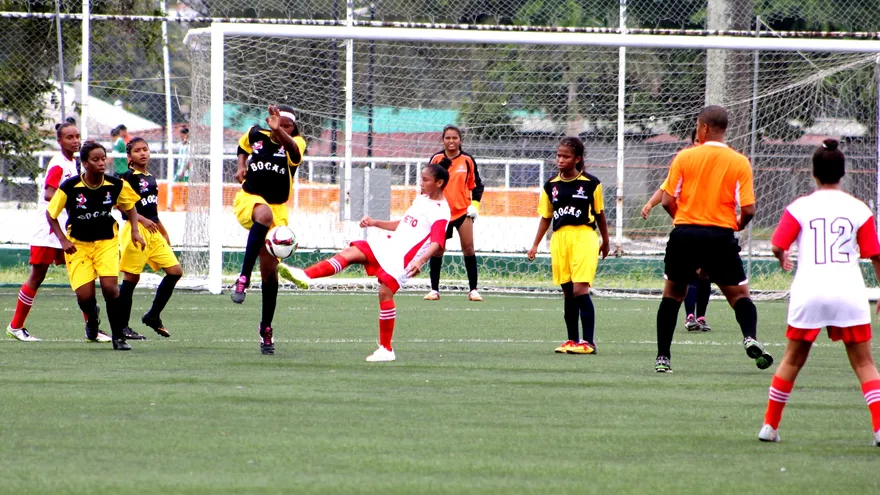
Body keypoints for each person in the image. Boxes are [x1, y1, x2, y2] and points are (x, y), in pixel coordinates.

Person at [758, 140, 880, 445]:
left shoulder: (800, 206)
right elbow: (875, 255)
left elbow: (777, 244)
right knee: (864, 364)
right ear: (843, 173)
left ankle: (769, 427)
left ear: (813, 174)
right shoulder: (859, 208)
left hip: (809, 291)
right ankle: (879, 429)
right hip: (848, 291)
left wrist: (781, 257)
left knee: (792, 360)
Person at [278, 164, 451, 362]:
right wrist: (375, 222)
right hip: (389, 244)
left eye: (426, 180)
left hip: (404, 258)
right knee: (351, 252)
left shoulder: (441, 211)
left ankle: (386, 349)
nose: (421, 183)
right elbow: (403, 224)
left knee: (385, 293)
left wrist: (420, 260)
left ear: (439, 183)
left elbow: (438, 242)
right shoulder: (421, 199)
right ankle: (305, 276)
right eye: (421, 178)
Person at [654, 105, 773, 373]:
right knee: (739, 295)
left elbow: (667, 200)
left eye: (698, 126)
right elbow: (749, 209)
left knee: (672, 294)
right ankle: (750, 337)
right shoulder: (739, 161)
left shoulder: (685, 157)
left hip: (685, 234)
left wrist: (682, 219)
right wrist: (736, 225)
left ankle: (663, 358)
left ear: (704, 128)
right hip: (720, 235)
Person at [6, 122, 102, 341]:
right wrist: (75, 199)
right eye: (69, 137)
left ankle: (93, 328)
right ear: (59, 141)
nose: (75, 141)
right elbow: (49, 194)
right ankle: (16, 326)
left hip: (67, 230)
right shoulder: (59, 163)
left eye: (77, 136)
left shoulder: (75, 163)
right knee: (37, 276)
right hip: (48, 231)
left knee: (82, 275)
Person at [46, 141, 145, 351]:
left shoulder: (115, 184)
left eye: (103, 159)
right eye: (95, 159)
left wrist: (135, 230)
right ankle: (92, 319)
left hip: (106, 242)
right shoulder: (70, 187)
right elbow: (51, 214)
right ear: (85, 163)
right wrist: (63, 240)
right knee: (85, 296)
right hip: (78, 245)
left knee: (111, 289)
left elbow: (130, 206)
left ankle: (118, 337)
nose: (101, 163)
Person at [230, 105, 306, 355]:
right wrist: (241, 166)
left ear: (293, 128)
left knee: (270, 273)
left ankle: (266, 328)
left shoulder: (296, 143)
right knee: (263, 214)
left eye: (288, 125)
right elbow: (242, 147)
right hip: (249, 199)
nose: (283, 128)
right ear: (269, 120)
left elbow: (294, 152)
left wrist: (279, 131)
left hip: (277, 209)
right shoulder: (255, 134)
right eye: (279, 123)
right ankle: (243, 277)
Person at [526, 137, 610, 355]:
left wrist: (606, 241)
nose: (560, 160)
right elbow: (546, 216)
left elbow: (600, 214)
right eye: (559, 155)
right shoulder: (551, 185)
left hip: (584, 236)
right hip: (560, 239)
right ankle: (572, 340)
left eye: (566, 156)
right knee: (568, 291)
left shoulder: (591, 183)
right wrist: (535, 244)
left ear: (577, 159)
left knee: (580, 289)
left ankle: (589, 342)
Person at [641, 130, 712, 332]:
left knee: (705, 274)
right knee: (693, 272)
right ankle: (690, 316)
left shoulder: (716, 165)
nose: (700, 144)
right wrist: (650, 204)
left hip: (711, 228)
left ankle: (701, 316)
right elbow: (666, 188)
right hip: (688, 228)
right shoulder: (685, 163)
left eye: (703, 141)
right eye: (696, 140)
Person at [117, 137, 183, 340]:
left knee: (175, 272)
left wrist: (164, 232)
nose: (143, 153)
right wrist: (142, 220)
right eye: (137, 150)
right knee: (131, 278)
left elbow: (152, 211)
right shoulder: (127, 177)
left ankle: (153, 315)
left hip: (153, 232)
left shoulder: (151, 178)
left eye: (145, 149)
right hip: (135, 230)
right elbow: (121, 205)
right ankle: (122, 327)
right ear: (129, 156)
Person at [423, 125, 484, 302]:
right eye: (448, 138)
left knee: (468, 248)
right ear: (442, 140)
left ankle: (473, 290)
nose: (451, 141)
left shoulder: (467, 160)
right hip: (441, 213)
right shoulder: (436, 159)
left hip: (462, 212)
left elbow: (477, 185)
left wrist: (475, 205)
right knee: (437, 250)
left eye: (454, 138)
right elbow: (428, 184)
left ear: (460, 140)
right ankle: (434, 290)